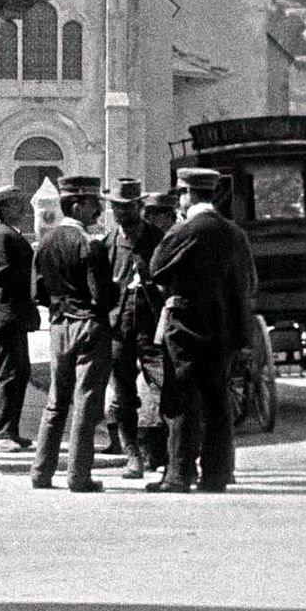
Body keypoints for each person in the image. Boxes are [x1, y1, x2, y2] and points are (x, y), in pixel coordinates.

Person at [147, 167, 255, 493]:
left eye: (180, 194)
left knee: (182, 398)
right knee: (217, 401)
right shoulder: (235, 233)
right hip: (222, 327)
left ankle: (179, 474)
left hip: (186, 325)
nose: (178, 200)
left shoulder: (187, 230)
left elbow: (156, 268)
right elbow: (246, 286)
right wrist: (242, 338)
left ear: (189, 195)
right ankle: (216, 475)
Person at [30, 176, 114, 493]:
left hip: (58, 327)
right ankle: (79, 476)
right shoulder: (89, 245)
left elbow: (37, 292)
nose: (98, 210)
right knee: (86, 404)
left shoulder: (46, 244)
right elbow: (100, 295)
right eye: (94, 204)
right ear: (77, 204)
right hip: (88, 327)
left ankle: (41, 472)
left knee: (55, 403)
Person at [102, 178, 156, 480]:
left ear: (140, 206)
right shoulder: (109, 243)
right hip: (118, 328)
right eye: (116, 208)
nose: (121, 213)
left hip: (151, 327)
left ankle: (160, 452)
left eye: (127, 207)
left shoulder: (156, 239)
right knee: (122, 395)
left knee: (163, 389)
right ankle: (132, 454)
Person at [0, 185, 37, 452]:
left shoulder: (9, 235)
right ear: (4, 208)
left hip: (15, 316)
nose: (23, 209)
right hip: (8, 315)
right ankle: (2, 433)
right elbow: (0, 274)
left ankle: (11, 431)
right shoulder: (4, 237)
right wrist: (32, 283)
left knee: (19, 372)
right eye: (17, 204)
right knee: (10, 373)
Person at [134, 190, 179, 474]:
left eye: (154, 215)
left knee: (160, 388)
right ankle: (156, 454)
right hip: (150, 326)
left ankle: (160, 455)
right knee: (156, 387)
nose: (148, 220)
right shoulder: (150, 243)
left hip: (163, 324)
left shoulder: (169, 241)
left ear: (167, 216)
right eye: (146, 214)